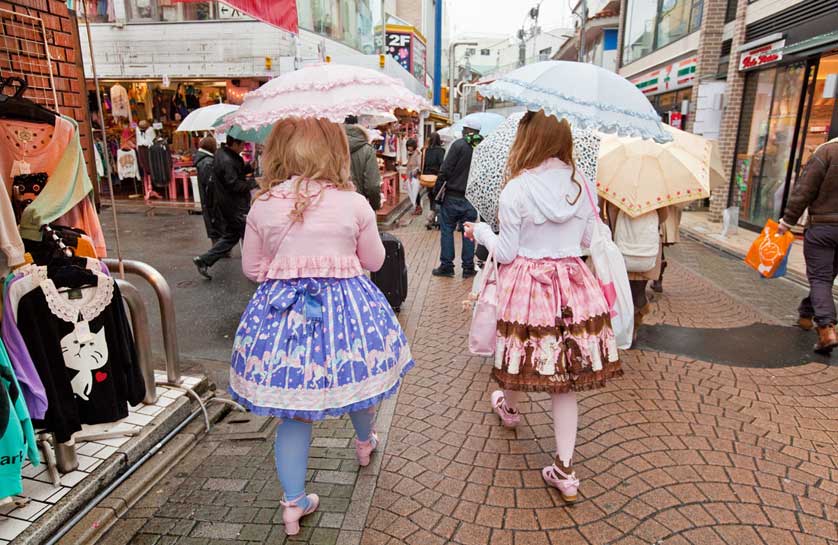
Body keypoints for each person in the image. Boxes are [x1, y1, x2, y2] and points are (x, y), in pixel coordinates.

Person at [230, 117, 414, 536]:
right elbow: (375, 261)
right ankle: (365, 443)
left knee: (293, 412)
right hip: (347, 313)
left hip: (282, 318)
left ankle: (293, 504)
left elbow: (254, 269)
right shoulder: (353, 204)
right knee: (357, 379)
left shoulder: (263, 205)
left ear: (279, 150)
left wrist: (289, 267)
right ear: (336, 152)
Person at [465, 111, 621, 503]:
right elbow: (588, 239)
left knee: (523, 352)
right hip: (572, 284)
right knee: (564, 377)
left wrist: (480, 231)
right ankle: (565, 470)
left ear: (528, 139)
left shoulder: (516, 189)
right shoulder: (582, 185)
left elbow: (506, 251)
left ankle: (510, 408)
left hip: (528, 287)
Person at [778, 137, 838, 353]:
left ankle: (826, 328)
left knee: (820, 277)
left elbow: (805, 189)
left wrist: (787, 221)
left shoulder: (827, 151)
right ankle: (805, 314)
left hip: (822, 227)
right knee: (826, 276)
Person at [603, 203, 666, 344]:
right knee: (638, 291)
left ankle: (623, 327)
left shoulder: (616, 187)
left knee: (621, 290)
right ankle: (634, 327)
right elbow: (663, 215)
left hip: (622, 242)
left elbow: (608, 211)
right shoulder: (657, 188)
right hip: (647, 245)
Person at [193, 136, 254, 279]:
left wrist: (249, 168)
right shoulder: (226, 159)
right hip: (234, 205)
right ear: (234, 143)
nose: (243, 147)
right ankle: (256, 266)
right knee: (250, 233)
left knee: (232, 236)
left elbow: (234, 173)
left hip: (229, 204)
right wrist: (253, 184)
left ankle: (204, 260)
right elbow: (233, 184)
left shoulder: (224, 154)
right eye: (242, 144)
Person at [432, 119, 482, 278]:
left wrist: (436, 192)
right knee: (469, 232)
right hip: (471, 199)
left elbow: (445, 170)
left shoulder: (458, 145)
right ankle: (468, 267)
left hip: (452, 196)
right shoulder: (483, 147)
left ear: (466, 130)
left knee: (447, 230)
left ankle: (447, 266)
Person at [344, 115, 381, 210]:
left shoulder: (330, 148)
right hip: (360, 205)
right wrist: (374, 206)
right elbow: (372, 186)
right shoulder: (367, 150)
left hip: (335, 208)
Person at [194, 136, 222, 244]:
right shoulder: (207, 163)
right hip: (212, 201)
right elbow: (211, 185)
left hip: (209, 201)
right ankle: (217, 251)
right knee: (216, 224)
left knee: (214, 224)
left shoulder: (204, 161)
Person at [404, 138, 423, 215]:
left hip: (415, 176)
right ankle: (416, 207)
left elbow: (419, 165)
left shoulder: (417, 153)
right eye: (408, 146)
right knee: (412, 192)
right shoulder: (409, 153)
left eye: (410, 146)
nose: (409, 148)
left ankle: (418, 207)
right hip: (410, 175)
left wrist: (414, 172)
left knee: (416, 192)